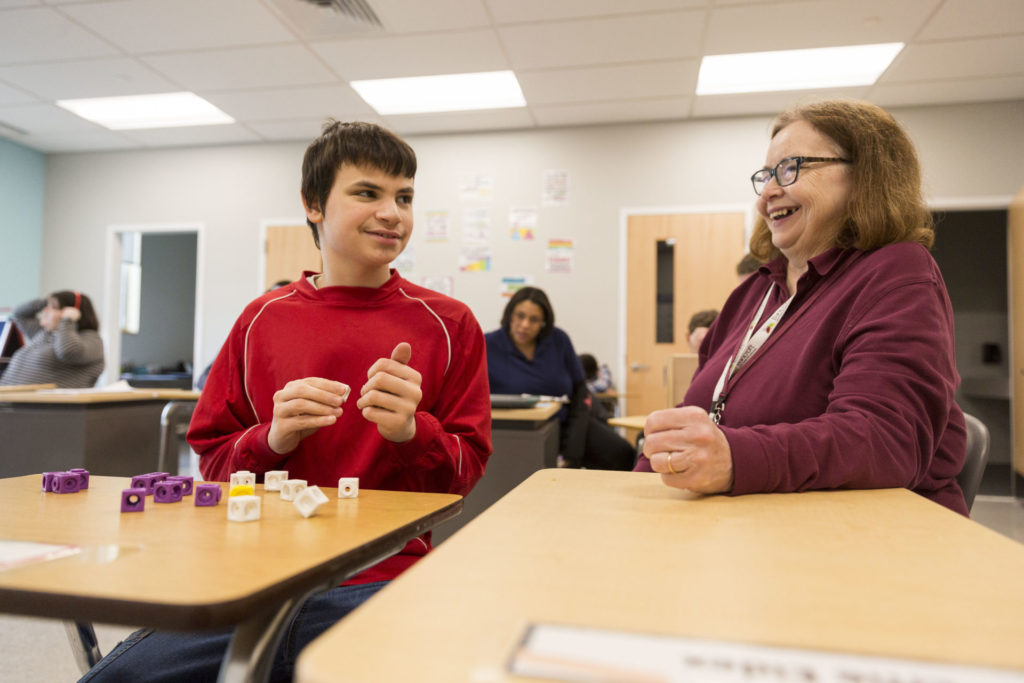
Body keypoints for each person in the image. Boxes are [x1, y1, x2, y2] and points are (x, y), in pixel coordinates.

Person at [79, 120, 492, 682]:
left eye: (405, 197)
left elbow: (464, 473)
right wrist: (270, 438)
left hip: (382, 578)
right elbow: (214, 461)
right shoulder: (260, 321)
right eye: (368, 193)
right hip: (253, 577)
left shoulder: (449, 324)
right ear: (314, 204)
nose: (393, 213)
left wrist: (410, 433)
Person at [636, 99, 968, 516]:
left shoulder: (896, 274)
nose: (768, 194)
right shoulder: (753, 296)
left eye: (791, 169)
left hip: (868, 544)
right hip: (747, 534)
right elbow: (692, 419)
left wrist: (736, 459)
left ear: (865, 176)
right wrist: (646, 485)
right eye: (766, 176)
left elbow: (885, 440)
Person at [486, 287, 634, 471]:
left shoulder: (558, 340)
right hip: (517, 430)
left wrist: (573, 452)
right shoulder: (488, 345)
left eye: (534, 320)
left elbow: (580, 391)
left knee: (623, 453)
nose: (524, 325)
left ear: (543, 323)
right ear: (509, 314)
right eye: (519, 316)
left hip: (567, 423)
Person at [0, 290, 104, 388]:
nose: (45, 310)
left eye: (52, 307)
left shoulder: (91, 339)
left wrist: (67, 321)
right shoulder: (44, 334)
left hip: (36, 406)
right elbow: (19, 314)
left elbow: (68, 351)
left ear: (72, 312)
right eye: (46, 306)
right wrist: (46, 301)